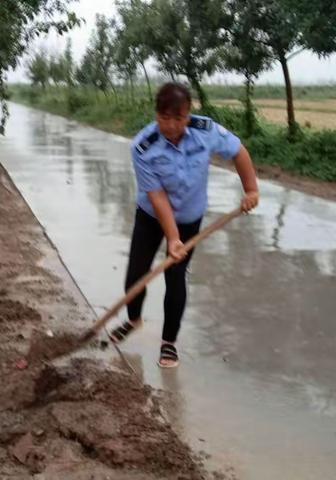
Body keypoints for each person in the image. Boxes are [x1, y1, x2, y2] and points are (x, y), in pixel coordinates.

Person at [109, 82, 259, 368]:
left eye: (178, 118)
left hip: (190, 216)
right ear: (156, 115)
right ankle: (134, 320)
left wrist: (251, 189)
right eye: (165, 118)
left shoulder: (206, 131)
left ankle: (169, 343)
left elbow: (238, 151)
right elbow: (158, 197)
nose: (171, 125)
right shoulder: (143, 146)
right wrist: (172, 237)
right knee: (136, 273)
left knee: (176, 277)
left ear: (188, 115)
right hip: (152, 215)